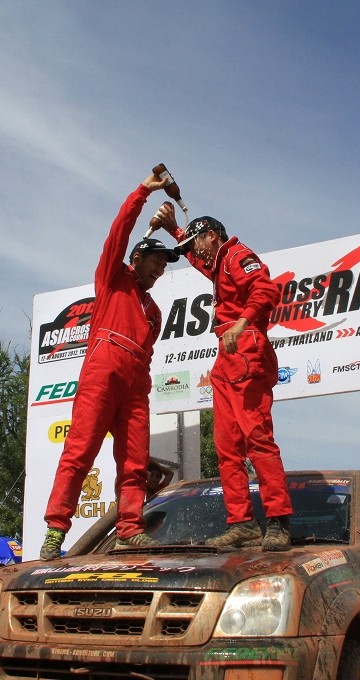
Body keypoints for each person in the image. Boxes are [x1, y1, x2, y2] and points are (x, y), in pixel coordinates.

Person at [39, 169, 181, 561]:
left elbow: (147, 352)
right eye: (156, 261)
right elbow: (118, 232)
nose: (160, 269)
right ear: (137, 258)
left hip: (136, 384)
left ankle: (130, 530)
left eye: (164, 265)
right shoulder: (112, 278)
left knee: (134, 461)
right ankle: (55, 530)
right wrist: (143, 192)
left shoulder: (154, 312)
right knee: (79, 452)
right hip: (102, 373)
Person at [159, 206, 293, 550]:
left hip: (246, 348)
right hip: (227, 357)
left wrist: (242, 323)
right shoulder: (219, 263)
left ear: (212, 236)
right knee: (227, 447)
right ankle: (242, 523)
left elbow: (266, 290)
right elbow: (198, 261)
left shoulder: (237, 254)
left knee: (257, 440)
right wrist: (175, 230)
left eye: (196, 241)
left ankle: (278, 521)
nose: (194, 251)